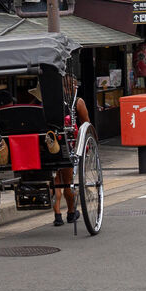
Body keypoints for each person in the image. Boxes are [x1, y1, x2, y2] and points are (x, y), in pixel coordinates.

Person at [52, 75, 91, 226]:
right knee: (67, 182)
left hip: (51, 144)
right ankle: (70, 212)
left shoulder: (51, 102)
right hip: (68, 146)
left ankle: (57, 215)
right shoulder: (77, 102)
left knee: (56, 182)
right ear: (73, 86)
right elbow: (86, 124)